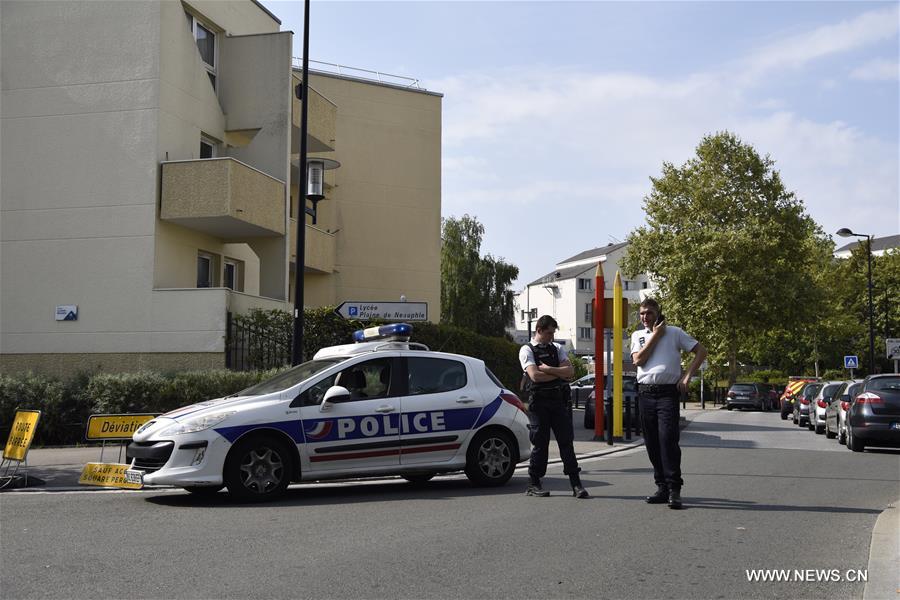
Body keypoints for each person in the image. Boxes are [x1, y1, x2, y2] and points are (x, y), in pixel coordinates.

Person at [630, 298, 706, 509]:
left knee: (667, 440)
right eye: (642, 313)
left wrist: (687, 377)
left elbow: (701, 351)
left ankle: (674, 488)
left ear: (658, 313)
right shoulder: (638, 335)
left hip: (666, 394)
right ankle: (661, 486)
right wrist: (655, 335)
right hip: (645, 393)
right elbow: (638, 361)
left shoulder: (675, 332)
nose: (645, 317)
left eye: (649, 313)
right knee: (652, 442)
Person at [520, 315, 589, 498]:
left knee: (566, 442)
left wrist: (549, 370)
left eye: (553, 333)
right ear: (539, 330)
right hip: (539, 402)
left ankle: (576, 484)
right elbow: (535, 376)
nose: (552, 337)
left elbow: (571, 371)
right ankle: (534, 482)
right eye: (549, 333)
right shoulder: (526, 350)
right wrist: (559, 374)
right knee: (540, 443)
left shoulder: (557, 348)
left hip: (557, 401)